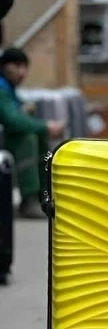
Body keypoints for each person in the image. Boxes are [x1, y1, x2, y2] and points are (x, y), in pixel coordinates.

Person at [0, 47, 65, 218]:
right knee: (27, 139)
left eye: (24, 66)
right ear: (5, 66)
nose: (21, 72)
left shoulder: (9, 89)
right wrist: (46, 127)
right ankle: (29, 199)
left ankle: (42, 195)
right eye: (16, 66)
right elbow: (14, 120)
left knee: (37, 136)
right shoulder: (1, 88)